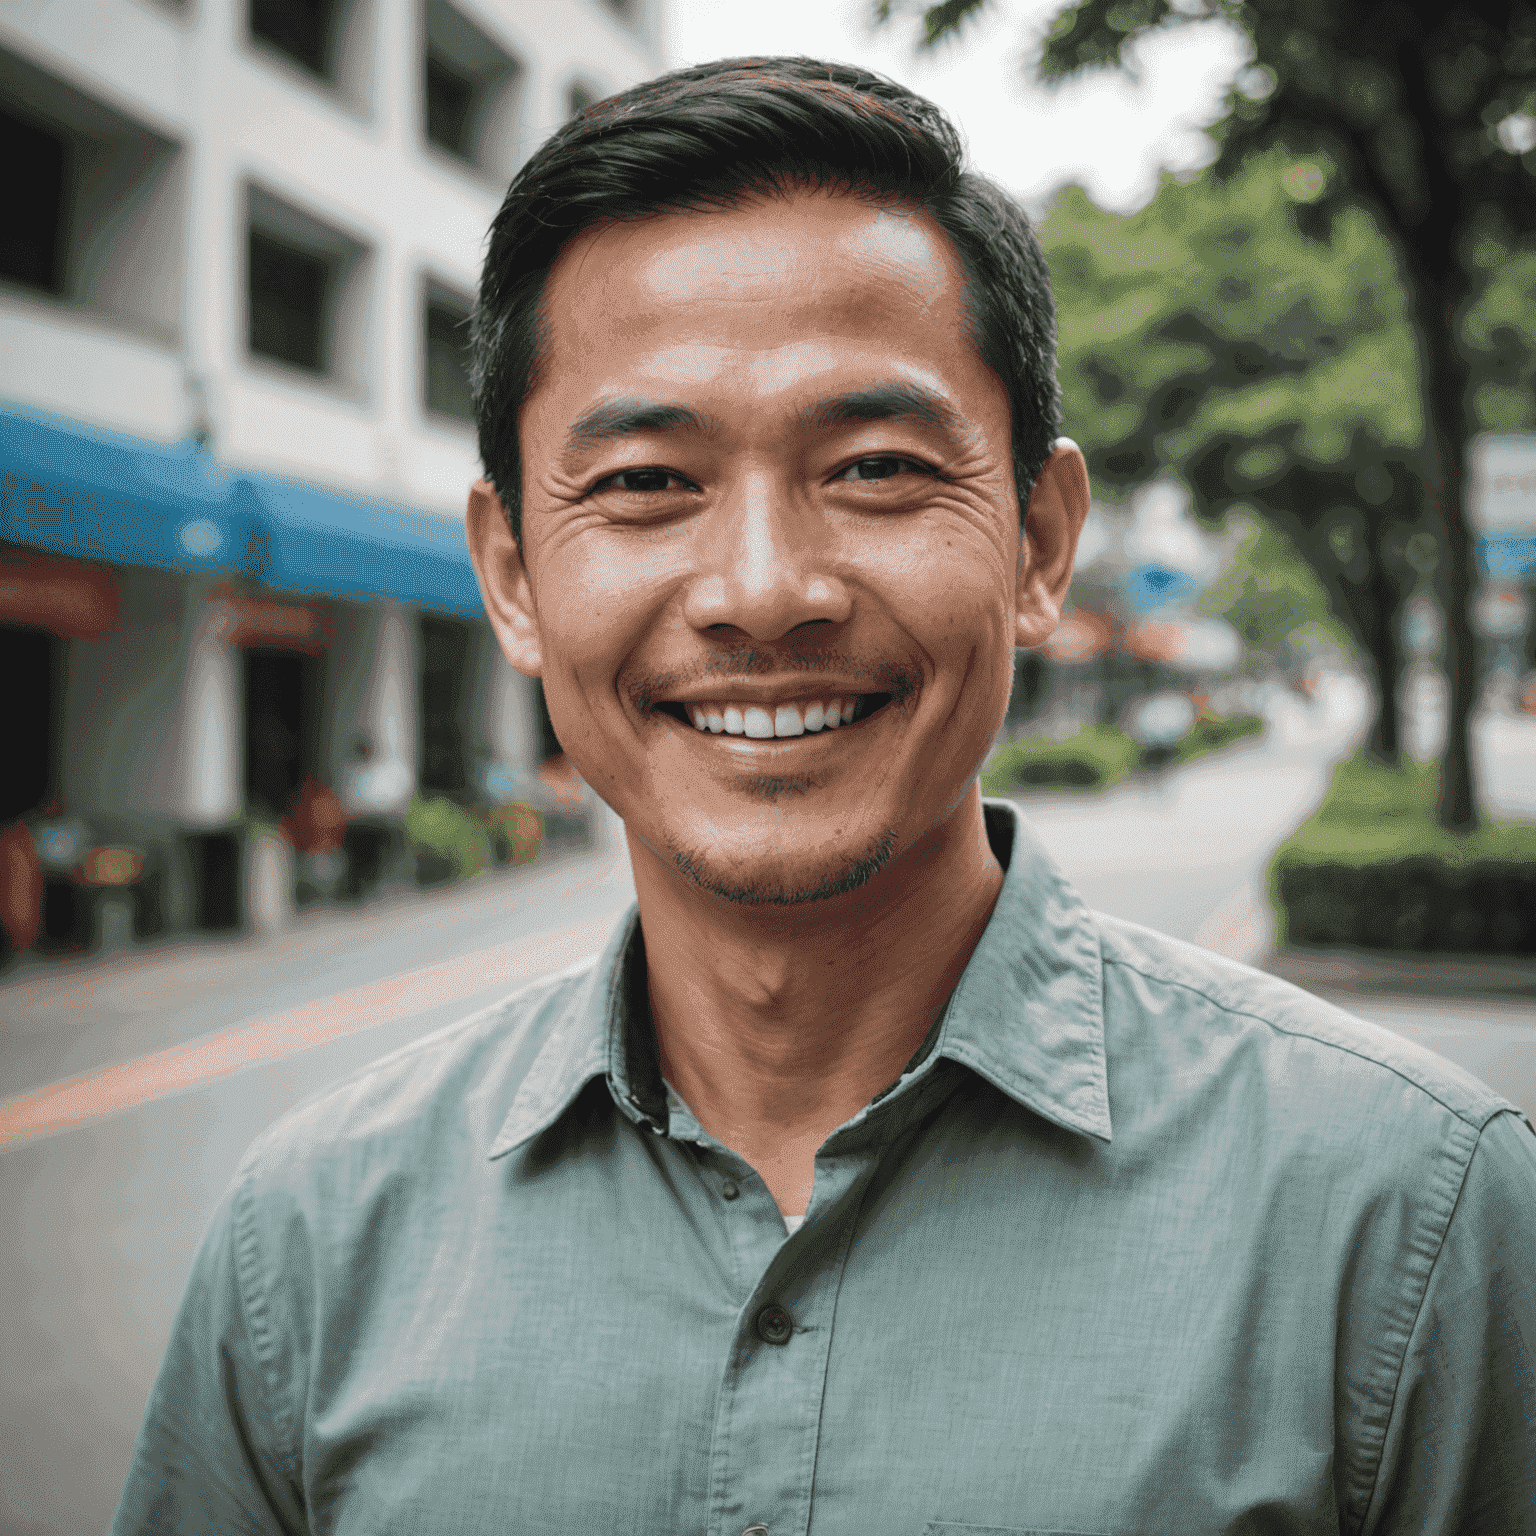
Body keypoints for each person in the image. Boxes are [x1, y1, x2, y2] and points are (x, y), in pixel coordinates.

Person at [112, 57, 1535, 1534]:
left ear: (1041, 541)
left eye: (871, 466)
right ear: (516, 576)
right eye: (650, 483)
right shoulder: (312, 1247)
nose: (762, 594)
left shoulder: (1409, 1226)